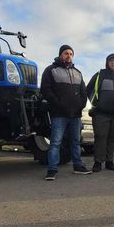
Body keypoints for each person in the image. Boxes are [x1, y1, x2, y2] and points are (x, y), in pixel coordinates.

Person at [40, 45, 92, 180]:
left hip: (75, 115)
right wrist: (58, 104)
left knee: (75, 142)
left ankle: (78, 166)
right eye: (66, 53)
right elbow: (45, 90)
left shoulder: (78, 73)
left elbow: (83, 92)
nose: (68, 56)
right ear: (60, 55)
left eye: (70, 54)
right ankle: (52, 170)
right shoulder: (51, 70)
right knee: (55, 142)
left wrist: (81, 105)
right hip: (59, 114)